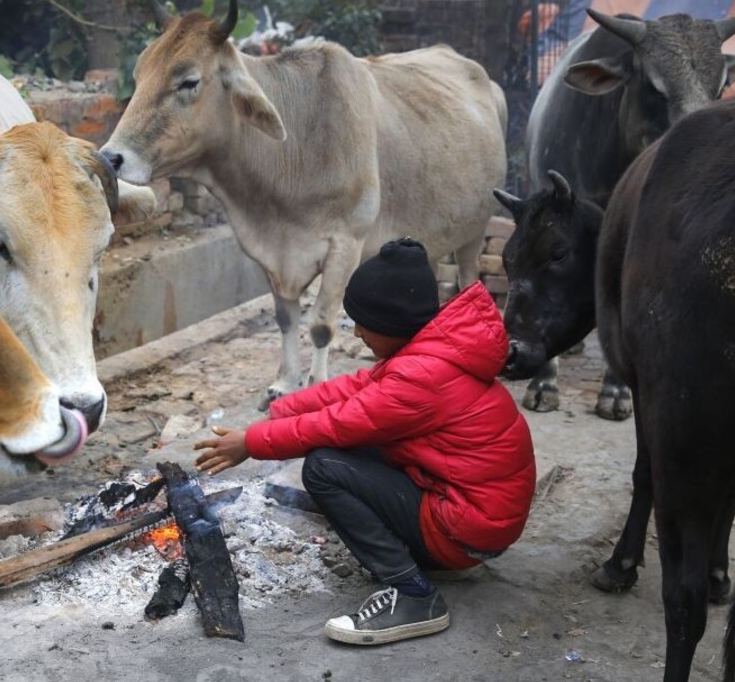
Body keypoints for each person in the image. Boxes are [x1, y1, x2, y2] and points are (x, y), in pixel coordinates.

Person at [195, 237, 536, 646]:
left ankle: (414, 596)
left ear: (392, 324)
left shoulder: (419, 378)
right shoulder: (429, 354)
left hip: (465, 530)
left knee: (324, 466)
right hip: (471, 514)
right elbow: (351, 390)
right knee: (348, 450)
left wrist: (251, 443)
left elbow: (337, 424)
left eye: (363, 323)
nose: (356, 332)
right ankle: (418, 560)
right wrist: (275, 415)